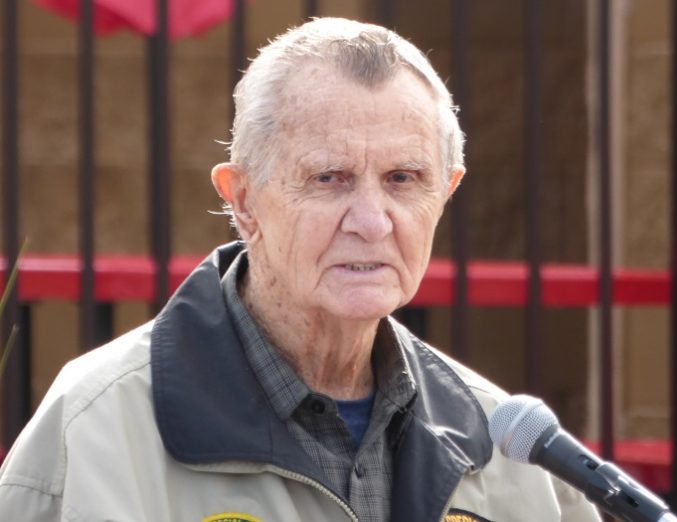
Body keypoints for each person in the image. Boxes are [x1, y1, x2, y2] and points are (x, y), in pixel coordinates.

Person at [0, 18, 601, 522]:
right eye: (328, 178)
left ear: (446, 194)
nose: (372, 220)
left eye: (402, 179)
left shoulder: (512, 453)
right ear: (243, 201)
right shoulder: (99, 429)